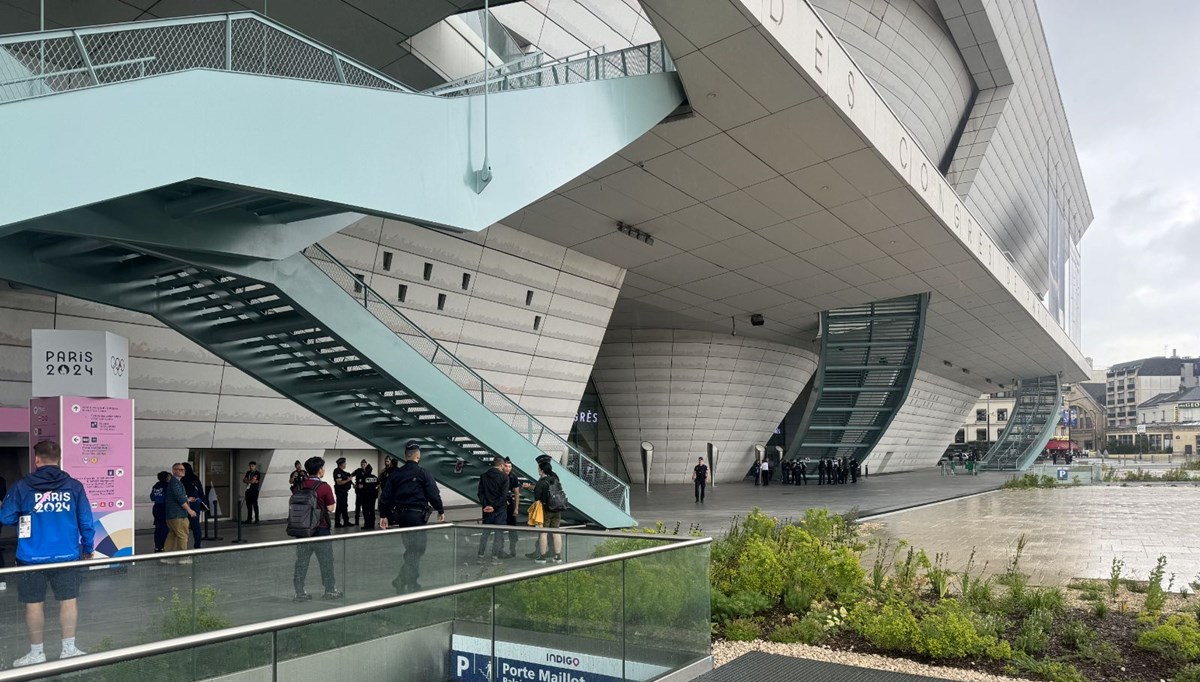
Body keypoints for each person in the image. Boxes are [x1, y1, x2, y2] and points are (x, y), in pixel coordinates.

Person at [0, 440, 95, 666]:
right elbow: (85, 520)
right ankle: (69, 650)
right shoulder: (74, 486)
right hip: (67, 555)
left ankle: (36, 654)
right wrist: (88, 548)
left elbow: (5, 518)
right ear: (59, 459)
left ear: (37, 459)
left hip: (31, 557)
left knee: (33, 604)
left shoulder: (22, 486)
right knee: (69, 601)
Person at [379, 441, 445, 593]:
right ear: (418, 456)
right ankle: (404, 581)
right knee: (417, 549)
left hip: (402, 516)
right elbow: (433, 494)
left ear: (405, 456)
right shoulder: (423, 473)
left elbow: (386, 496)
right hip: (417, 517)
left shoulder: (396, 473)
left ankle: (407, 581)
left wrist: (384, 515)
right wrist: (440, 510)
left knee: (411, 549)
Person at [292, 457, 342, 601]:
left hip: (302, 530)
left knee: (301, 562)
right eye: (323, 467)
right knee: (326, 561)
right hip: (321, 529)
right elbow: (331, 508)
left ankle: (299, 592)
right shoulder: (324, 487)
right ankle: (330, 590)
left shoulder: (299, 486)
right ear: (320, 470)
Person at [523, 458, 563, 564]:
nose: (538, 470)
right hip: (557, 509)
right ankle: (558, 556)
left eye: (538, 469)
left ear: (541, 470)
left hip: (545, 510)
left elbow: (537, 498)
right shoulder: (555, 479)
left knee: (543, 533)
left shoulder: (542, 482)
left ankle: (543, 556)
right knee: (556, 531)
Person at [476, 458, 509, 564]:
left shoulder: (483, 476)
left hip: (486, 510)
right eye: (505, 465)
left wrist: (486, 505)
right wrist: (494, 506)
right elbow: (504, 496)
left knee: (485, 533)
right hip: (500, 509)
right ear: (502, 465)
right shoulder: (504, 477)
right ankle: (494, 558)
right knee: (498, 534)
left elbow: (480, 493)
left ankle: (480, 556)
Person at [164, 463, 197, 560]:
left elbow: (179, 497)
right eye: (179, 469)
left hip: (173, 514)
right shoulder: (175, 483)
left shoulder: (176, 482)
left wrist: (188, 499)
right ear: (173, 470)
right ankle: (183, 558)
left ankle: (165, 557)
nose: (182, 471)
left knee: (173, 535)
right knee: (183, 535)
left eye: (183, 469)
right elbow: (180, 499)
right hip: (178, 515)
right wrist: (190, 510)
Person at [181, 462, 206, 549]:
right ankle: (197, 544)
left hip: (184, 505)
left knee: (183, 525)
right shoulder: (195, 478)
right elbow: (200, 491)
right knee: (196, 525)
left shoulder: (182, 480)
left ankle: (183, 545)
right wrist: (204, 502)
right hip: (195, 504)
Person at [503, 458, 521, 558]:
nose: (507, 468)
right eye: (506, 466)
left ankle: (512, 547)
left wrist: (516, 507)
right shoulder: (500, 476)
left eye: (509, 467)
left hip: (510, 502)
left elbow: (517, 492)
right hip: (501, 503)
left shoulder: (513, 477)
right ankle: (499, 549)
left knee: (512, 527)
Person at [150, 471, 170, 552]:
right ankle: (162, 545)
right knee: (165, 527)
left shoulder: (156, 486)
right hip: (164, 507)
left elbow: (152, 497)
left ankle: (157, 546)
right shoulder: (167, 486)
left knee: (158, 527)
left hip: (156, 507)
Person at [357, 463, 379, 530]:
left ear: (366, 470)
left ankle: (367, 524)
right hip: (373, 497)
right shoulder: (375, 477)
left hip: (365, 497)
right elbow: (378, 485)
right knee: (372, 510)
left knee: (366, 511)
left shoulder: (363, 477)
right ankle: (372, 524)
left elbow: (360, 486)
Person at [332, 458, 352, 528]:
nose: (345, 464)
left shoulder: (343, 472)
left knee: (343, 506)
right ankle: (337, 523)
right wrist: (348, 480)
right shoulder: (337, 471)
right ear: (342, 464)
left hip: (344, 492)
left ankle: (346, 521)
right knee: (340, 507)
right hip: (340, 492)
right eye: (345, 463)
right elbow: (339, 482)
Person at [351, 459, 369, 527]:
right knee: (358, 507)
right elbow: (350, 476)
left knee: (365, 508)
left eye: (364, 464)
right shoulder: (358, 470)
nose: (363, 466)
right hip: (359, 492)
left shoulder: (368, 471)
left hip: (365, 492)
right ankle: (356, 521)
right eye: (362, 464)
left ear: (366, 465)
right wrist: (353, 484)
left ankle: (366, 521)